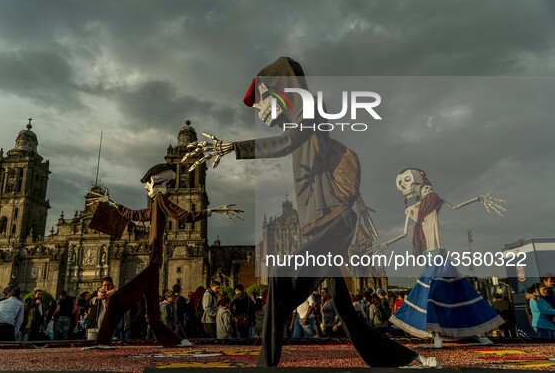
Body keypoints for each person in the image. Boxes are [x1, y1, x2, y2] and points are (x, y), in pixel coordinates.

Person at [184, 57, 432, 368]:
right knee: (343, 307)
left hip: (336, 221)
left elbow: (286, 143)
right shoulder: (298, 118)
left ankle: (266, 365)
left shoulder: (308, 112)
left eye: (259, 103)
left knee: (279, 279)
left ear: (277, 91)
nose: (259, 113)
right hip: (323, 225)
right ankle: (406, 359)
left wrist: (233, 147)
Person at [88, 164, 241, 347]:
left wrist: (210, 211)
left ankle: (103, 340)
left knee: (116, 299)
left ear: (158, 182)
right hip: (156, 261)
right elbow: (133, 214)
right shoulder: (154, 206)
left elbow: (184, 216)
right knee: (153, 316)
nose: (146, 187)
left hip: (153, 262)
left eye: (149, 183)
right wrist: (111, 203)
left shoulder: (160, 199)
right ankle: (178, 341)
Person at [378, 168, 504, 348]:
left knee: (438, 292)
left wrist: (478, 199)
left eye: (406, 181)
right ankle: (464, 332)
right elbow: (405, 233)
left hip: (438, 254)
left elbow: (456, 206)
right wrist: (386, 244)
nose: (404, 188)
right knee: (453, 292)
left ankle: (461, 332)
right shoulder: (415, 209)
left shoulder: (432, 199)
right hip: (432, 254)